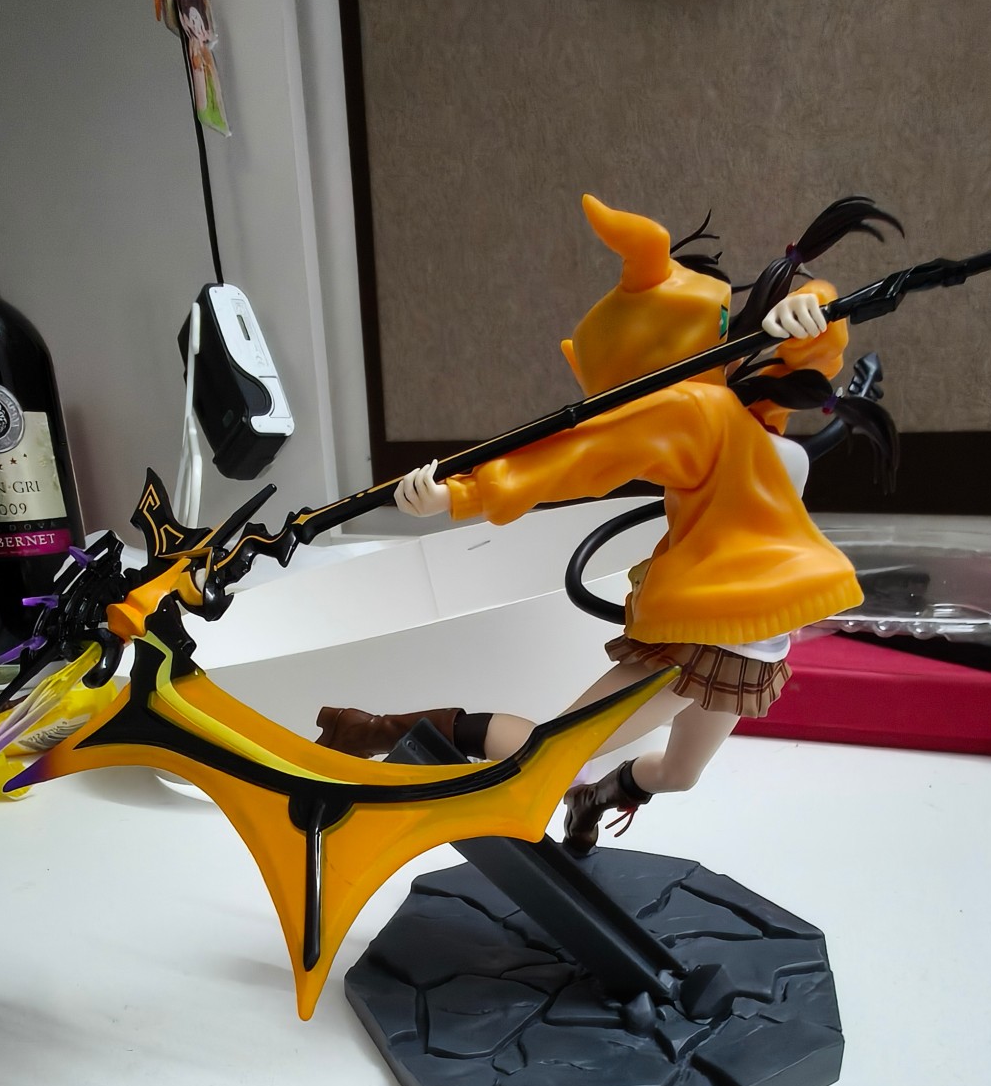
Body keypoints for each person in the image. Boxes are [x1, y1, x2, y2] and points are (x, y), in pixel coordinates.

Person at [316, 195, 890, 852]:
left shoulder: (747, 411)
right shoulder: (691, 415)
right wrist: (461, 495)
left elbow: (812, 357)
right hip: (710, 632)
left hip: (757, 638)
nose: (734, 326)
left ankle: (594, 797)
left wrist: (812, 307)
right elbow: (578, 461)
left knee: (679, 774)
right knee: (552, 747)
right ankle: (377, 729)